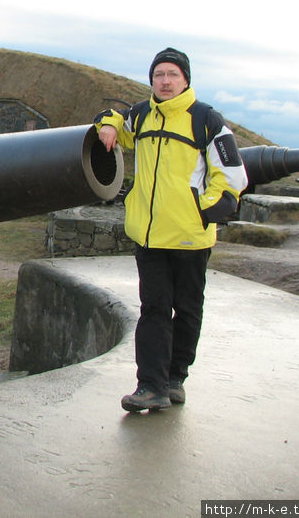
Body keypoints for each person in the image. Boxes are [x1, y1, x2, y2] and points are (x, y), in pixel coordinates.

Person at [94, 47, 248, 412]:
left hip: (189, 235)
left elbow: (231, 178)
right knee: (154, 309)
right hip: (149, 235)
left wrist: (200, 210)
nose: (164, 81)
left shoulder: (207, 120)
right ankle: (151, 385)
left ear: (185, 80)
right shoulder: (142, 116)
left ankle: (175, 376)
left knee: (188, 309)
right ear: (151, 79)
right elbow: (112, 115)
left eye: (172, 75)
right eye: (158, 74)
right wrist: (108, 125)